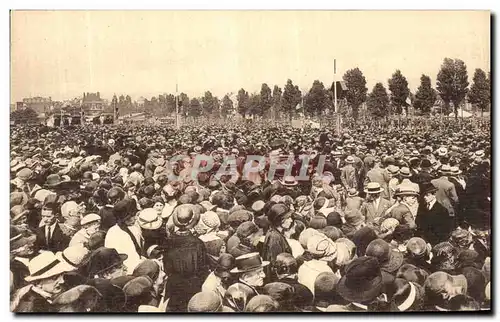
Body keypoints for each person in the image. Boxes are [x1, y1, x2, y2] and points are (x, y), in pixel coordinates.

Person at [163, 204, 208, 312]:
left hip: (174, 285)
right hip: (193, 284)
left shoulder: (169, 241)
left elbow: (167, 266)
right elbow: (202, 267)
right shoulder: (198, 243)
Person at [104, 198, 143, 273]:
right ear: (123, 219)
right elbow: (128, 260)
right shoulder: (115, 234)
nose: (135, 218)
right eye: (131, 216)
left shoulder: (134, 227)